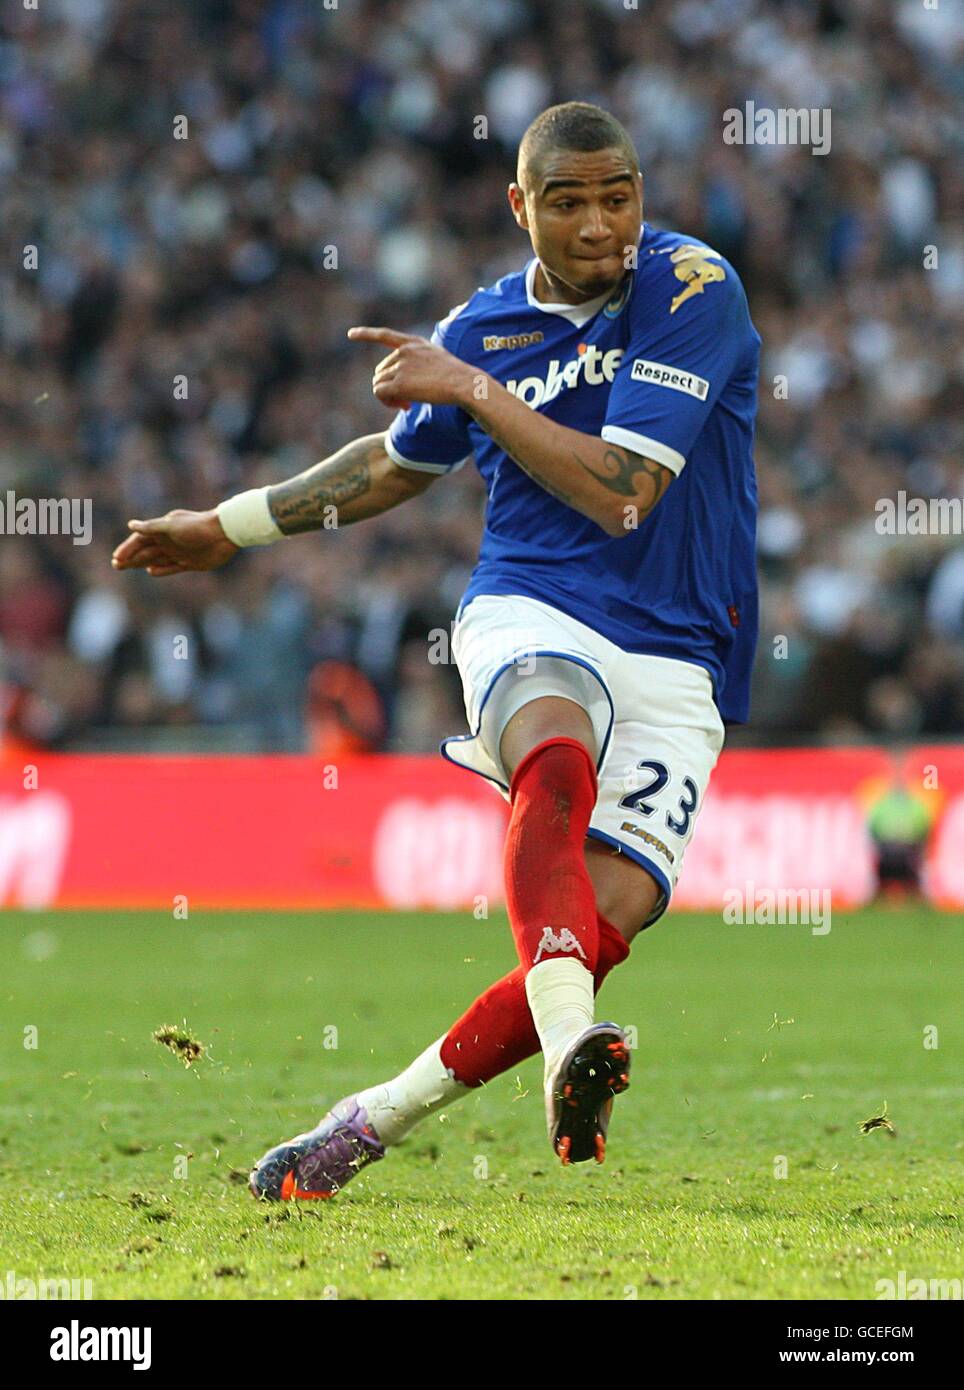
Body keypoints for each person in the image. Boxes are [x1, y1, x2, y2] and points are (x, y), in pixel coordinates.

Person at [112, 102, 760, 1197]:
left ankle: (368, 1121)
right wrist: (228, 525)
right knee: (552, 752)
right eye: (569, 202)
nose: (602, 225)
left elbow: (626, 493)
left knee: (594, 931)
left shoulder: (693, 288)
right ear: (519, 207)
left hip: (682, 649)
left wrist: (470, 390)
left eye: (620, 196)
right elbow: (392, 466)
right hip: (532, 605)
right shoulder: (483, 329)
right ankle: (570, 1050)